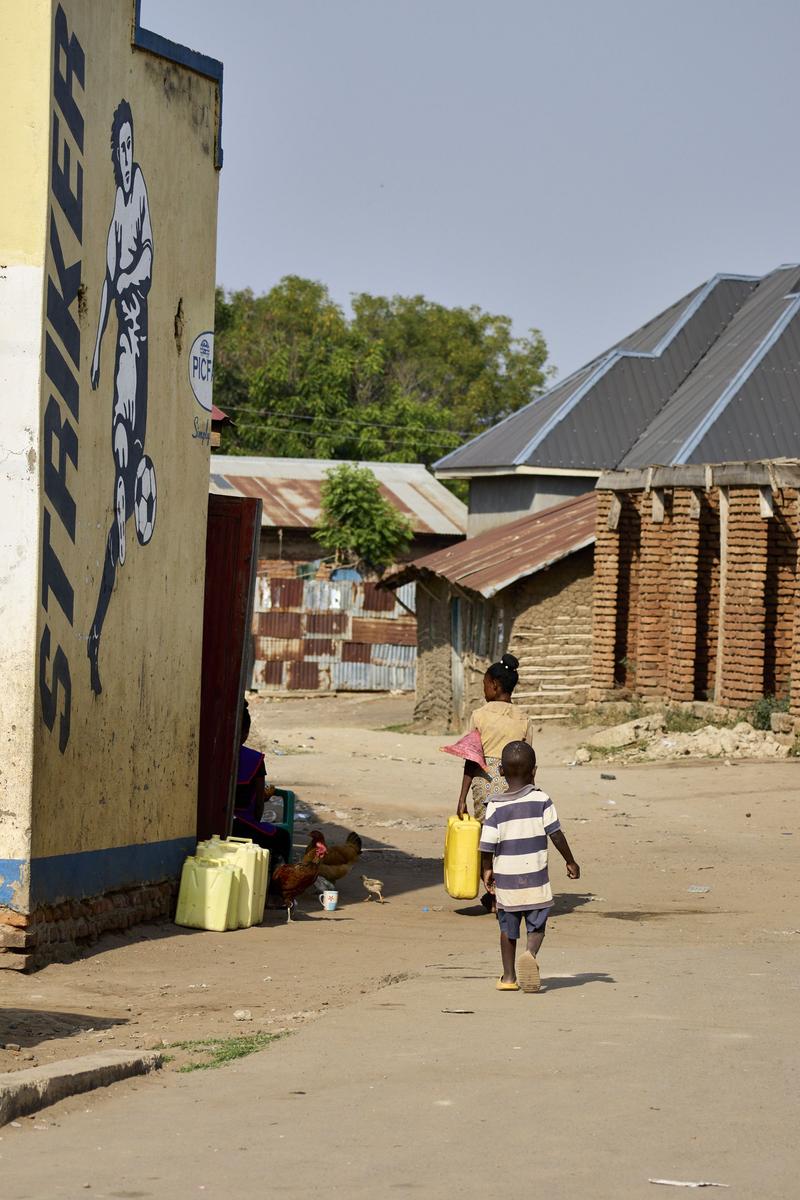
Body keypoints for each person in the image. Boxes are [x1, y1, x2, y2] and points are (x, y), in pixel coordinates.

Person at [87, 99, 156, 695]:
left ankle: (132, 507)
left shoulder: (140, 196)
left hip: (139, 351)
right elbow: (107, 288)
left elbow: (138, 271)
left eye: (130, 144)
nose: (125, 154)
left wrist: (123, 282)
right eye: (120, 147)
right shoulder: (115, 203)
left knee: (125, 458)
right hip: (120, 358)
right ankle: (99, 630)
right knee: (117, 465)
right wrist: (90, 351)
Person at [479, 740, 580, 992]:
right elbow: (556, 833)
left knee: (507, 929)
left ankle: (509, 977)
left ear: (500, 771)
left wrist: (486, 869)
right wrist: (570, 860)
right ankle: (531, 954)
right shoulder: (542, 799)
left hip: (507, 880)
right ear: (534, 770)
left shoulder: (495, 806)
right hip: (535, 879)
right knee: (537, 926)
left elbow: (487, 844)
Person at [455, 653, 533, 824]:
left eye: (484, 685)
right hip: (515, 788)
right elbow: (529, 764)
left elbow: (472, 759)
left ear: (494, 685)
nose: (483, 690)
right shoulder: (524, 719)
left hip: (485, 787)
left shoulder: (479, 715)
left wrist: (462, 798)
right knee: (511, 834)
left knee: (486, 837)